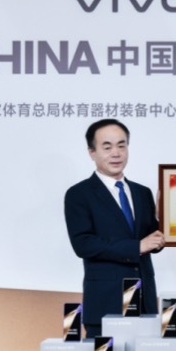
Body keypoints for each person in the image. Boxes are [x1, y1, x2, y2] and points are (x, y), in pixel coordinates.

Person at [64, 119, 164, 338]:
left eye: (121, 145)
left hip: (144, 301)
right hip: (106, 302)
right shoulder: (79, 194)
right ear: (92, 152)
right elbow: (83, 244)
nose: (116, 153)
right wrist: (136, 247)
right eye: (107, 147)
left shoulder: (142, 192)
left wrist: (163, 219)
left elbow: (151, 242)